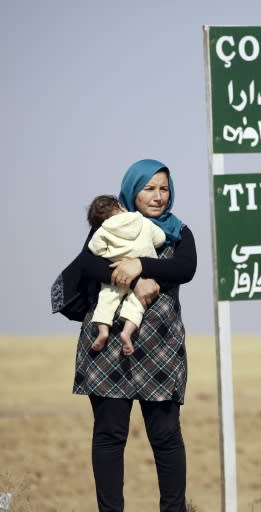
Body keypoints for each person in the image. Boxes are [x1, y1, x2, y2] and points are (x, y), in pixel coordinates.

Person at [71, 159, 197, 512]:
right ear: (131, 190)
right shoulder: (111, 223)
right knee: (110, 436)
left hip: (161, 347)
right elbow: (88, 263)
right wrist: (137, 281)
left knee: (167, 437)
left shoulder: (178, 229)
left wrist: (142, 266)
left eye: (164, 189)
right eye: (149, 188)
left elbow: (185, 267)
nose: (158, 196)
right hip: (108, 345)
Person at [86, 194, 166, 356]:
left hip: (117, 275)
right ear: (120, 206)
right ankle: (127, 332)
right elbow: (161, 239)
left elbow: (95, 250)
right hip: (144, 275)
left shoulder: (103, 230)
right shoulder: (143, 221)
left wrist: (112, 254)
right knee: (137, 303)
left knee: (106, 299)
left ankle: (103, 331)